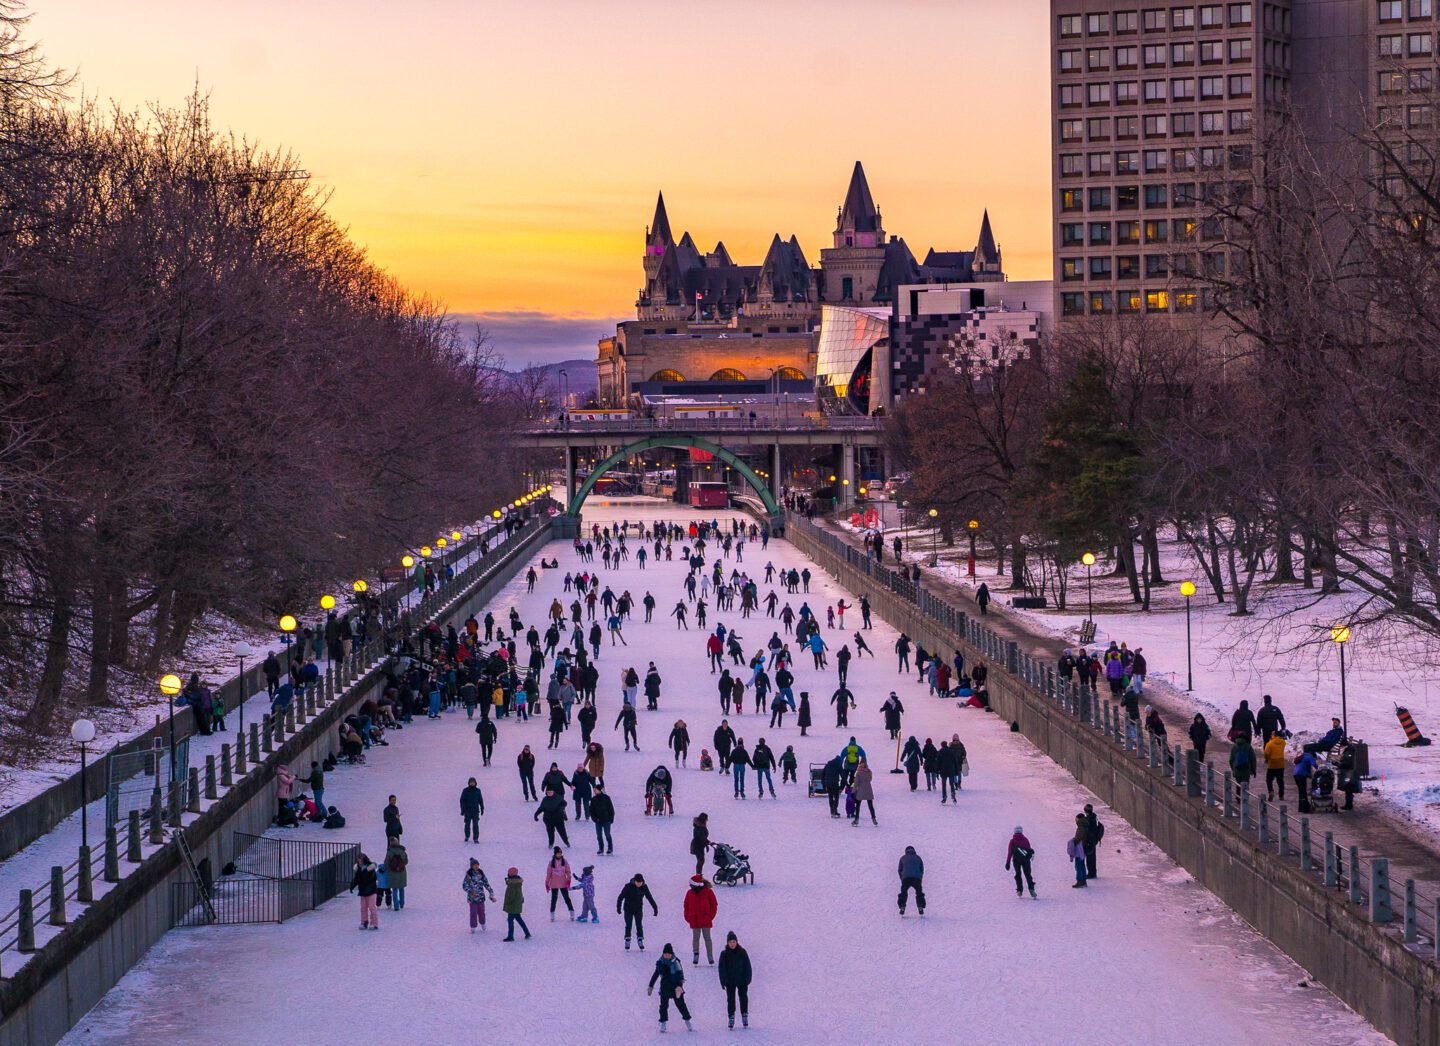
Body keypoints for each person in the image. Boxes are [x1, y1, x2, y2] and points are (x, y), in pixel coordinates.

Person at [647, 943, 693, 1033]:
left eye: (668, 954)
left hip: (675, 987)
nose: (667, 955)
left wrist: (679, 986)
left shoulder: (676, 962)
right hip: (664, 987)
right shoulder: (660, 963)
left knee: (681, 1005)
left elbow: (680, 975)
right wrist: (651, 985)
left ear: (672, 954)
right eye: (665, 954)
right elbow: (656, 974)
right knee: (663, 1006)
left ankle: (687, 1020)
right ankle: (663, 1022)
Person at [717, 931, 752, 1030]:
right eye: (730, 942)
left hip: (742, 980)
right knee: (731, 999)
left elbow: (747, 966)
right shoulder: (724, 954)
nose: (732, 944)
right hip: (730, 981)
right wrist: (723, 981)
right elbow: (722, 969)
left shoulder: (742, 952)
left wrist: (748, 978)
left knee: (743, 998)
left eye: (734, 941)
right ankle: (731, 1017)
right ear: (727, 943)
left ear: (736, 942)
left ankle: (744, 1015)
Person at [617, 872, 659, 951]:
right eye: (637, 882)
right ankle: (627, 939)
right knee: (628, 924)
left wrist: (655, 908)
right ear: (634, 881)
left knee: (639, 924)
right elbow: (621, 897)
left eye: (640, 882)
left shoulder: (644, 887)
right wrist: (618, 907)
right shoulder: (628, 886)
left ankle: (640, 940)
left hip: (638, 909)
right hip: (628, 909)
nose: (639, 884)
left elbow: (649, 897)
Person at [683, 874, 718, 965]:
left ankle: (710, 956)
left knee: (707, 938)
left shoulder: (708, 892)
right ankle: (696, 954)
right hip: (694, 919)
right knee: (695, 938)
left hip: (705, 919)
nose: (690, 886)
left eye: (691, 885)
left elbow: (714, 904)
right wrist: (688, 917)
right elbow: (686, 905)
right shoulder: (689, 893)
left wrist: (710, 916)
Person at [462, 858, 496, 932]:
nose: (476, 866)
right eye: (474, 865)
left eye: (477, 865)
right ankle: (473, 926)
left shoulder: (481, 873)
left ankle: (483, 923)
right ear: (472, 866)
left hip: (480, 897)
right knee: (473, 913)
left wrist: (491, 892)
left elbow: (486, 884)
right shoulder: (469, 874)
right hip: (472, 898)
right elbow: (464, 886)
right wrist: (471, 892)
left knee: (481, 912)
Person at [1006, 826, 1037, 898]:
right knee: (1028, 875)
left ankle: (1019, 890)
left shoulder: (1012, 841)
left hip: (1016, 860)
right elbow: (1029, 849)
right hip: (1026, 860)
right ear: (1021, 831)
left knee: (1018, 874)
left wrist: (1007, 863)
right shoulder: (1025, 839)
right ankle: (1032, 890)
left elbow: (1010, 852)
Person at [546, 847, 576, 920]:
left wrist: (568, 880)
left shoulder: (564, 861)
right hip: (554, 884)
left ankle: (572, 913)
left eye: (560, 853)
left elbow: (568, 871)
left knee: (567, 898)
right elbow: (549, 873)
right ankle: (552, 914)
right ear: (555, 854)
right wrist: (547, 883)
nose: (559, 855)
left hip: (563, 883)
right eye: (558, 853)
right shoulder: (551, 862)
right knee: (554, 899)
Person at [501, 867, 531, 941]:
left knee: (510, 920)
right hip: (517, 904)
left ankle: (510, 936)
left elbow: (511, 895)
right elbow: (519, 893)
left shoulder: (512, 884)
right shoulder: (518, 882)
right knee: (519, 919)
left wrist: (508, 902)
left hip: (512, 905)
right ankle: (527, 933)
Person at [897, 845, 925, 916]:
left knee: (904, 892)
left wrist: (902, 878)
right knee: (919, 892)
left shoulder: (902, 858)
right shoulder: (918, 858)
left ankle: (902, 906)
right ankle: (920, 906)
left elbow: (899, 870)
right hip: (916, 878)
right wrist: (920, 878)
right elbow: (921, 869)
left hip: (906, 878)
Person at [354, 852, 379, 930]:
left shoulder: (370, 869)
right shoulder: (358, 869)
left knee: (372, 907)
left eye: (360, 860)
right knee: (363, 908)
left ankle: (374, 923)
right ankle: (364, 922)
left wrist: (364, 875)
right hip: (363, 891)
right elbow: (357, 879)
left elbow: (372, 879)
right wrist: (352, 885)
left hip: (371, 890)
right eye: (358, 860)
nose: (359, 862)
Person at [591, 781, 615, 854]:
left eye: (596, 790)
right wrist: (595, 819)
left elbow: (611, 809)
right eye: (594, 790)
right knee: (599, 836)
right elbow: (591, 811)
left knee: (607, 834)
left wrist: (611, 819)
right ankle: (601, 848)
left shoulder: (606, 798)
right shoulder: (593, 799)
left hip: (606, 820)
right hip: (598, 821)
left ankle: (610, 848)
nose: (595, 791)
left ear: (600, 790)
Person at [385, 837, 409, 911]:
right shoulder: (402, 851)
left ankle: (396, 906)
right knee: (401, 888)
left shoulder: (389, 852)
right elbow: (406, 861)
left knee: (394, 889)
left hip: (393, 873)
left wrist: (385, 868)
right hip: (402, 872)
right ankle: (402, 903)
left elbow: (386, 862)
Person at [1263, 731, 1288, 800]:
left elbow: (1266, 753)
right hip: (1280, 764)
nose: (1271, 735)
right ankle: (1281, 795)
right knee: (1280, 781)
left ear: (1274, 735)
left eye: (1272, 734)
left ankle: (1271, 791)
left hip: (1272, 764)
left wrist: (1267, 758)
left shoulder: (1269, 744)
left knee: (1269, 780)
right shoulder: (1283, 742)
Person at [851, 759, 876, 826]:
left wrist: (853, 791)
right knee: (870, 805)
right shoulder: (868, 771)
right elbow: (870, 779)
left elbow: (856, 783)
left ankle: (856, 820)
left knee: (858, 805)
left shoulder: (858, 772)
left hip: (861, 789)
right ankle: (874, 818)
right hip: (868, 789)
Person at [460, 776, 485, 843]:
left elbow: (480, 800)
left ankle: (476, 838)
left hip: (475, 811)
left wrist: (482, 808)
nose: (472, 783)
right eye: (471, 782)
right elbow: (462, 800)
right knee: (467, 825)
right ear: (468, 783)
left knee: (475, 825)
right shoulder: (465, 791)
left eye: (473, 782)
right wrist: (462, 810)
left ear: (475, 783)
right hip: (467, 811)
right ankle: (467, 836)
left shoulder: (478, 791)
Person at [1293, 748, 1318, 814]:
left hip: (1295, 774)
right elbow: (1315, 765)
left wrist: (1309, 775)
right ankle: (1305, 809)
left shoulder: (1303, 756)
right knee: (1303, 791)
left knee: (1301, 791)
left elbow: (1302, 766)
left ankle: (1301, 807)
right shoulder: (1309, 756)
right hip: (1301, 776)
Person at [1067, 816, 1089, 888]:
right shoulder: (1085, 826)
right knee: (1082, 865)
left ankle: (1080, 881)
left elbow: (1078, 838)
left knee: (1079, 865)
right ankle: (1083, 880)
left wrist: (1074, 842)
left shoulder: (1081, 827)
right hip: (1083, 848)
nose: (1075, 821)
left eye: (1076, 819)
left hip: (1080, 849)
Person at [1337, 742, 1361, 810]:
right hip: (1349, 773)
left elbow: (1348, 762)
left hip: (1349, 774)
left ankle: (1349, 805)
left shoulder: (1349, 752)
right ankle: (1348, 804)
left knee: (1348, 788)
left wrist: (1340, 764)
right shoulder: (1349, 751)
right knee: (1348, 789)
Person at [1082, 803, 1103, 880]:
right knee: (1092, 857)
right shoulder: (1094, 817)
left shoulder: (1088, 820)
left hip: (1089, 841)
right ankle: (1093, 872)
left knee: (1090, 858)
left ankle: (1091, 873)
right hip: (1093, 840)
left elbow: (1087, 831)